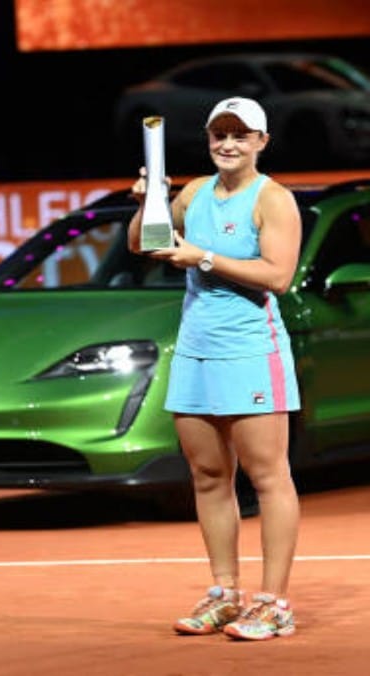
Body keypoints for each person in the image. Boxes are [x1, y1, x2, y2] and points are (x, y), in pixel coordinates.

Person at [127, 96, 303, 641]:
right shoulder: (194, 193)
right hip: (197, 351)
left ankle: (274, 603)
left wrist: (201, 256)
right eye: (218, 134)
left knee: (269, 477)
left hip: (252, 352)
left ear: (261, 143)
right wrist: (149, 202)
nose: (228, 144)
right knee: (207, 476)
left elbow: (277, 276)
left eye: (240, 135)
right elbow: (144, 243)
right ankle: (225, 594)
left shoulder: (274, 200)